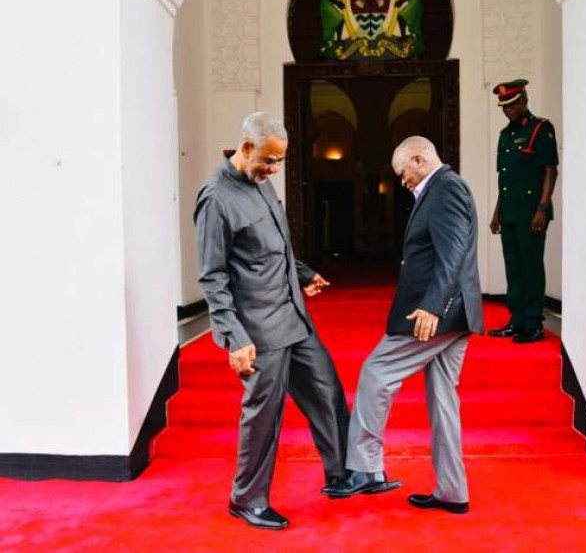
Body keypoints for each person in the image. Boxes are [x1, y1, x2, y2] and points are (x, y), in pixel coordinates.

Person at [194, 112, 350, 531]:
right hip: (258, 330)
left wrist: (304, 274)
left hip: (294, 313)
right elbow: (213, 276)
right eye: (269, 160)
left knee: (327, 390)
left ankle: (344, 474)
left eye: (280, 161)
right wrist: (234, 337)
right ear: (246, 148)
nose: (275, 169)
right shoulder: (216, 198)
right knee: (264, 415)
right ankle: (247, 499)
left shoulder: (261, 180)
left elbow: (274, 246)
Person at [324, 137, 483, 515]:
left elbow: (453, 254)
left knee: (376, 371)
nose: (402, 180)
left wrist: (432, 307)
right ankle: (453, 491)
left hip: (435, 314)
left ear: (419, 158)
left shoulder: (446, 188)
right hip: (453, 313)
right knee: (443, 401)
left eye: (402, 173)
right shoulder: (440, 189)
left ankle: (365, 468)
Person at [488, 79, 559, 344]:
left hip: (531, 213)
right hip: (509, 212)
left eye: (513, 104)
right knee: (513, 269)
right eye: (504, 106)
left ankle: (533, 324)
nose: (508, 109)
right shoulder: (505, 135)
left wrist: (542, 208)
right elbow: (506, 180)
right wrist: (498, 212)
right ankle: (517, 321)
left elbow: (550, 171)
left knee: (531, 268)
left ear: (524, 100)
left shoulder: (541, 129)